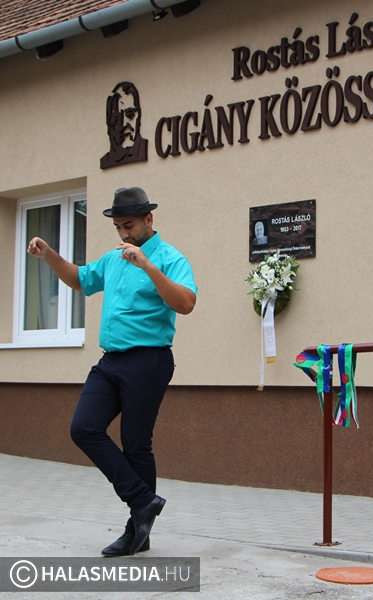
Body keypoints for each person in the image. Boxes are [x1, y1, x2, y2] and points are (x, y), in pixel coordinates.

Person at [27, 186, 197, 557]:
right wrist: (49, 255)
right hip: (110, 362)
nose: (123, 233)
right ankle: (142, 501)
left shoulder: (170, 258)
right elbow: (80, 280)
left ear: (149, 219)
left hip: (148, 361)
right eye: (118, 227)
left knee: (136, 444)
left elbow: (186, 303)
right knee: (83, 428)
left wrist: (148, 266)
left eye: (129, 225)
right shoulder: (114, 258)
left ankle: (138, 533)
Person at [100, 82, 148, 169]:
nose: (123, 126)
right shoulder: (106, 160)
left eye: (129, 114)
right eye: (116, 119)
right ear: (109, 124)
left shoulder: (141, 149)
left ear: (138, 117)